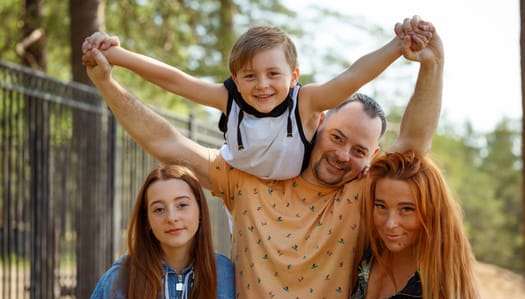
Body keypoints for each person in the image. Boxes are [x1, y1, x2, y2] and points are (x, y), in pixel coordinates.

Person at [82, 16, 443, 299]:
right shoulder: (244, 180)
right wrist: (107, 83)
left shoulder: (357, 196)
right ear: (316, 123)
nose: (342, 154)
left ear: (371, 155)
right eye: (337, 138)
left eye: (358, 150)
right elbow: (166, 143)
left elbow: (412, 148)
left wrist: (430, 65)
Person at [81, 20, 432, 180]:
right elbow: (176, 80)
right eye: (249, 76)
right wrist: (118, 55)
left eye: (273, 74)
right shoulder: (229, 99)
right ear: (236, 79)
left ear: (294, 76)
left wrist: (397, 47)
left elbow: (353, 77)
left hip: (290, 189)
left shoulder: (305, 102)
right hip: (239, 182)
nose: (262, 85)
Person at [74, 164, 236, 299]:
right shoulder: (118, 280)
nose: (172, 217)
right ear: (147, 221)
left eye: (182, 205)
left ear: (200, 210)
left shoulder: (226, 275)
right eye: (159, 209)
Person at [346, 151, 482, 299]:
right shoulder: (369, 256)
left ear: (431, 212)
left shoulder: (444, 288)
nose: (390, 223)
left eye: (406, 209)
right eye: (381, 206)